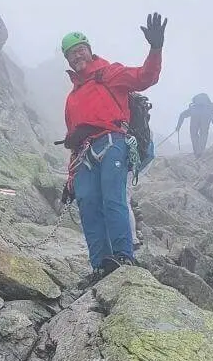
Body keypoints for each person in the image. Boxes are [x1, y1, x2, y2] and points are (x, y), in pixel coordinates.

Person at [60, 14, 166, 278]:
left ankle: (123, 257)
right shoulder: (71, 98)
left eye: (80, 49)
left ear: (89, 50)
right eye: (71, 53)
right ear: (68, 60)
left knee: (113, 199)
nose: (77, 55)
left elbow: (145, 77)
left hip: (112, 142)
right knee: (88, 205)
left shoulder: (109, 74)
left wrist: (155, 48)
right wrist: (70, 179)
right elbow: (73, 141)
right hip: (84, 154)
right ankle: (100, 265)